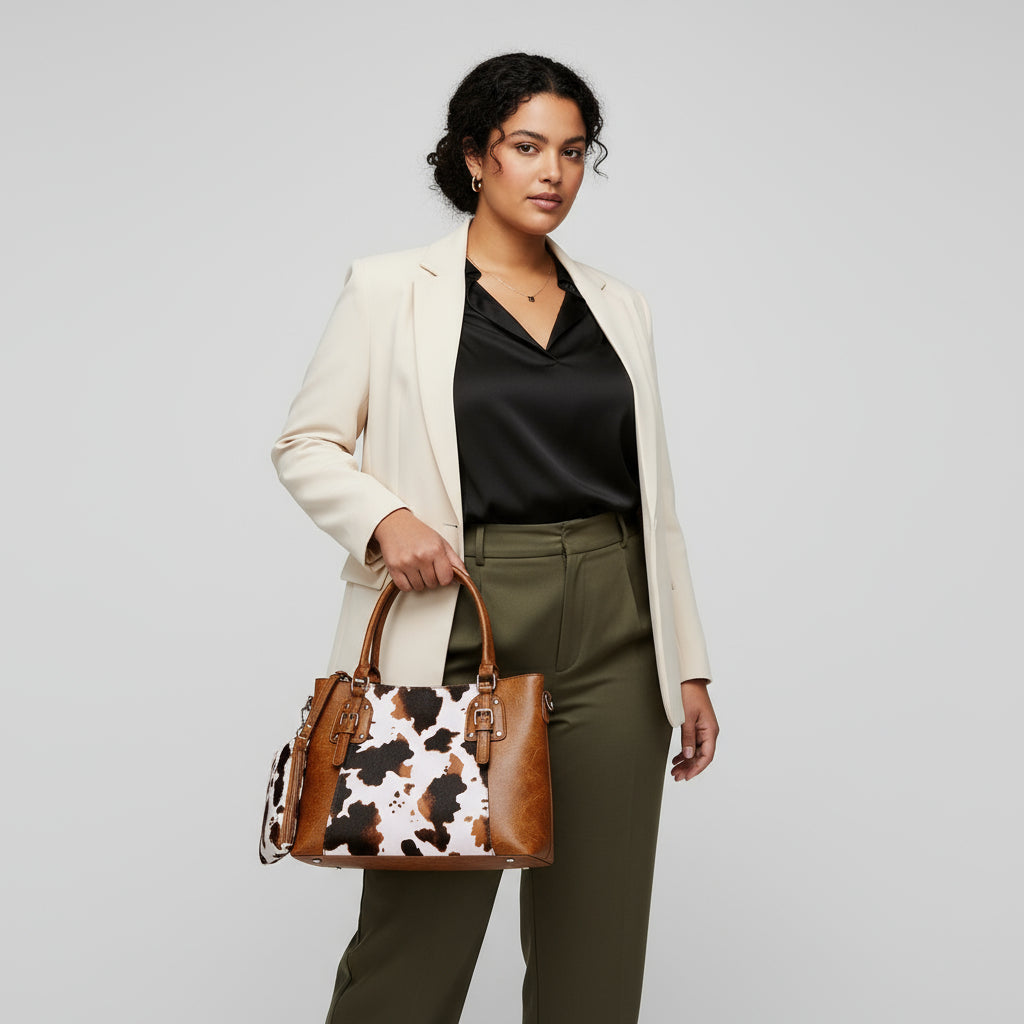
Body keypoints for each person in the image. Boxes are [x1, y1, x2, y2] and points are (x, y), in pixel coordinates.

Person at [271, 51, 720, 1024]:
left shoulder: (620, 307)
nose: (553, 171)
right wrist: (386, 520)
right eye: (527, 147)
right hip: (458, 623)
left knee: (595, 956)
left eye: (571, 150)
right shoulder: (392, 289)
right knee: (413, 951)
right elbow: (306, 441)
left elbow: (656, 499)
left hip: (615, 627)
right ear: (476, 155)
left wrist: (686, 664)